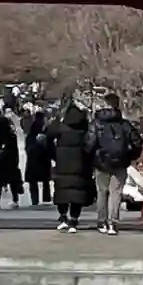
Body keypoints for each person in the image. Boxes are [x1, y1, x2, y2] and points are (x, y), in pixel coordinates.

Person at [91, 91, 143, 236]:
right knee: (116, 192)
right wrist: (130, 157)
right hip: (120, 162)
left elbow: (89, 143)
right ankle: (112, 223)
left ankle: (101, 221)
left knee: (102, 192)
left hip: (101, 162)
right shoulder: (125, 125)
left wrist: (92, 159)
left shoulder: (97, 124)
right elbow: (137, 142)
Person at [51, 96, 96, 232]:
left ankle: (63, 216)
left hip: (62, 165)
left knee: (62, 192)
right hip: (80, 165)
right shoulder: (85, 130)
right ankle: (74, 219)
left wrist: (54, 154)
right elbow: (90, 146)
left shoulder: (60, 128)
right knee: (77, 193)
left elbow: (47, 135)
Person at [0, 110, 24, 210]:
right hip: (11, 162)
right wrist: (16, 161)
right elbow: (15, 150)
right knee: (13, 182)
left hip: (0, 162)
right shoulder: (12, 135)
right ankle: (15, 200)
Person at [24, 109, 53, 206]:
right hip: (44, 160)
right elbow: (51, 147)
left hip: (33, 161)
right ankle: (46, 198)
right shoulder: (45, 132)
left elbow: (27, 148)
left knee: (33, 181)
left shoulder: (31, 132)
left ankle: (34, 200)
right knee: (45, 181)